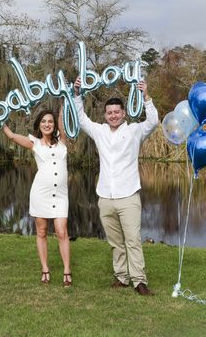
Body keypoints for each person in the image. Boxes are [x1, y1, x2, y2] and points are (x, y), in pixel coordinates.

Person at [73, 78, 159, 295]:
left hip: (128, 196)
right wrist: (76, 94)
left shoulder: (134, 131)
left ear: (123, 113)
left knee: (132, 240)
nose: (113, 115)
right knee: (115, 242)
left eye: (116, 112)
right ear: (105, 115)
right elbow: (82, 119)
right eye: (109, 112)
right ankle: (121, 277)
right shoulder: (100, 131)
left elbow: (153, 121)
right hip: (105, 197)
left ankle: (139, 280)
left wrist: (146, 96)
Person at [0, 108, 72, 287]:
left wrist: (65, 100)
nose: (47, 124)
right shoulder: (35, 143)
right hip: (41, 194)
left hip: (61, 195)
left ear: (54, 125)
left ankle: (67, 270)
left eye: (50, 121)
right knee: (41, 232)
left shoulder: (63, 141)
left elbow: (62, 119)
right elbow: (11, 135)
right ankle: (45, 269)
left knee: (62, 232)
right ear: (39, 125)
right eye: (43, 122)